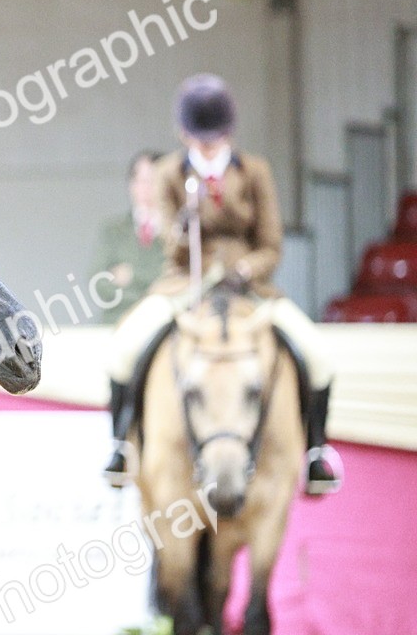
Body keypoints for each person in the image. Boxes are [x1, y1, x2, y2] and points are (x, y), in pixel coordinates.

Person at [102, 74, 341, 495]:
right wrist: (183, 221)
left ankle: (316, 452)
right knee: (122, 351)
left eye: (214, 139)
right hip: (184, 283)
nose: (208, 147)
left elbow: (271, 243)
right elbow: (170, 248)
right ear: (184, 133)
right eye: (199, 139)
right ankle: (122, 445)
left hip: (249, 286)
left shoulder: (255, 172)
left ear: (228, 132)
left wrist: (246, 270)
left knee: (318, 356)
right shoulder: (168, 173)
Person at [90, 150, 165, 325]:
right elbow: (99, 284)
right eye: (140, 181)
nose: (146, 189)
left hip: (163, 326)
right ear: (131, 184)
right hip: (118, 324)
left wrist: (132, 275)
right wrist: (152, 288)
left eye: (153, 182)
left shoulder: (179, 231)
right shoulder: (112, 231)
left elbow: (179, 282)